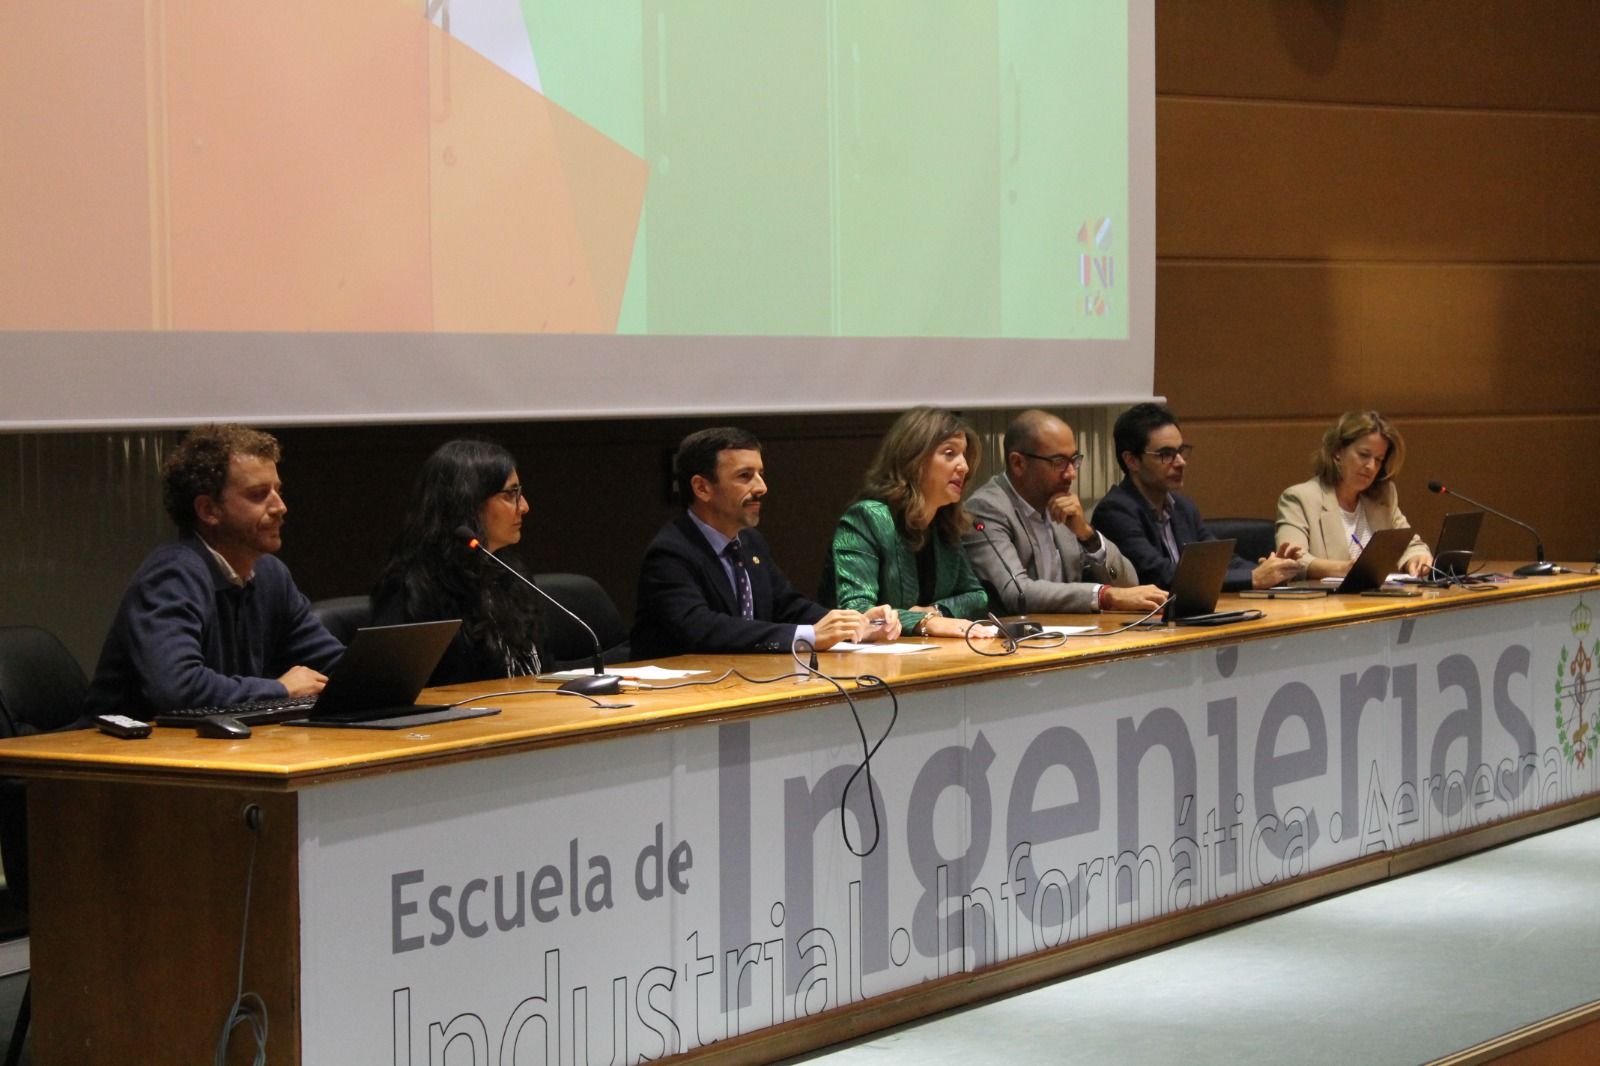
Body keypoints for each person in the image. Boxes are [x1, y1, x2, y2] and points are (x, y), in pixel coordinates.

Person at [81, 423, 343, 720]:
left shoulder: (270, 574)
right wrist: (280, 690)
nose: (280, 507)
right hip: (119, 756)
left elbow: (334, 664)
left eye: (278, 491)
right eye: (259, 494)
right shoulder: (173, 575)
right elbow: (177, 689)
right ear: (209, 510)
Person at [632, 427, 900, 660]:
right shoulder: (671, 552)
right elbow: (701, 628)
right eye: (745, 476)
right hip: (680, 698)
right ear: (702, 488)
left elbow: (787, 605)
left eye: (760, 473)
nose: (762, 487)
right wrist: (808, 636)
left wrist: (854, 624)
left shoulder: (749, 542)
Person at [371, 439, 550, 685]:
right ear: (468, 502)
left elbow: (542, 668)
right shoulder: (412, 589)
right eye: (511, 494)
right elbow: (389, 686)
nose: (525, 507)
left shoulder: (511, 575)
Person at [964, 410, 1166, 614]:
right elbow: (1016, 592)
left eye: (1074, 460)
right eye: (1058, 462)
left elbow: (1129, 585)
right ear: (1018, 463)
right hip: (1014, 641)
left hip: (1071, 636)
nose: (1071, 473)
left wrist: (1088, 535)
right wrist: (1103, 595)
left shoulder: (1061, 505)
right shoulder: (986, 509)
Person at [822, 407, 999, 639]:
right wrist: (926, 622)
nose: (964, 467)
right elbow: (857, 613)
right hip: (858, 664)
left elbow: (977, 596)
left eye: (964, 455)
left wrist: (935, 611)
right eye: (949, 453)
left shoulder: (942, 524)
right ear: (914, 460)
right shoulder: (866, 519)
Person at [1092, 403, 1302, 591]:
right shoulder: (1115, 511)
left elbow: (1219, 563)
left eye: (1181, 451)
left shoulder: (1183, 507)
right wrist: (1252, 578)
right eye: (1166, 454)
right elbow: (1159, 575)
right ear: (1131, 461)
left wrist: (1271, 570)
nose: (1181, 462)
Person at [1275, 411, 1433, 579]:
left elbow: (1410, 543)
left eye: (1378, 459)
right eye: (1364, 455)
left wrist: (1417, 557)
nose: (1371, 466)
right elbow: (1291, 560)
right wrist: (1342, 569)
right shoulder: (1299, 499)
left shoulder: (1384, 496)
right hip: (1325, 603)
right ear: (1337, 451)